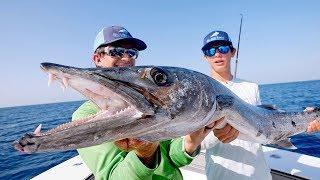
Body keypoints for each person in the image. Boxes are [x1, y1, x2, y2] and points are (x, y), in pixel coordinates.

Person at [72, 26, 214, 180]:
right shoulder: (85, 115)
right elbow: (113, 177)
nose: (127, 58)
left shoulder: (151, 102)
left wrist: (191, 142)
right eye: (116, 51)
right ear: (97, 58)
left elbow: (172, 159)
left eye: (132, 53)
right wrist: (145, 154)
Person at [200, 30, 320, 179]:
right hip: (222, 175)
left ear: (233, 52)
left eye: (223, 49)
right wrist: (216, 134)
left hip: (259, 173)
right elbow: (193, 145)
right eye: (211, 51)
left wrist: (307, 123)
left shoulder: (251, 86)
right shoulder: (202, 92)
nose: (217, 54)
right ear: (205, 56)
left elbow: (266, 127)